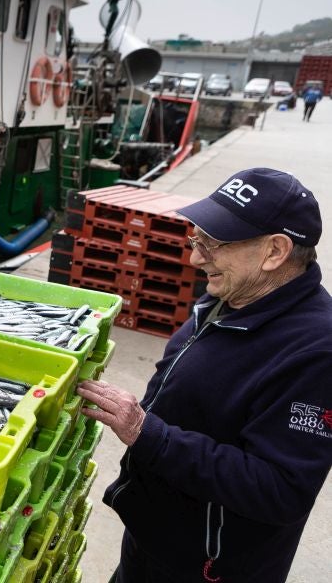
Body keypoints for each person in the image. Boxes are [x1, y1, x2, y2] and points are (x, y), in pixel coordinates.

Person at [77, 167, 331, 583]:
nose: (196, 257)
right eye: (198, 238)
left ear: (275, 251)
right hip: (154, 539)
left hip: (208, 568)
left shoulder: (317, 351)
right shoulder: (230, 294)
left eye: (215, 243)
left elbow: (280, 489)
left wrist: (148, 432)